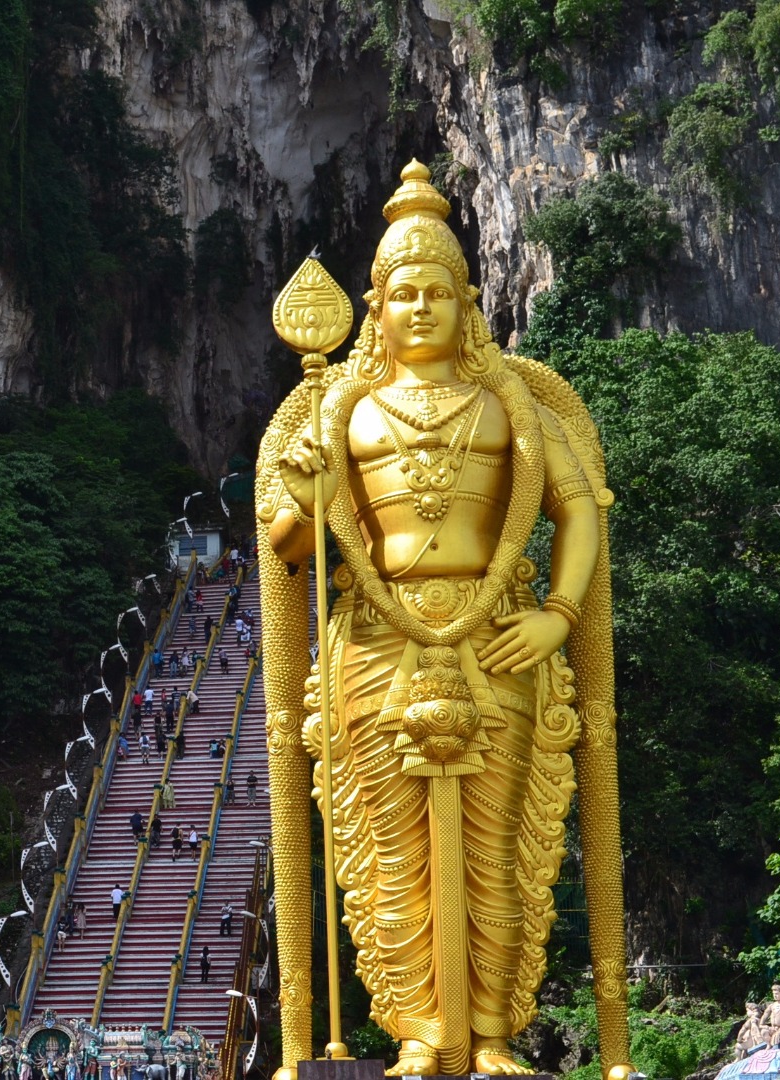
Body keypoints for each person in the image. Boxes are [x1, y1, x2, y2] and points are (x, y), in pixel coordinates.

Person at [257, 161, 626, 1076]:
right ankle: (419, 1031)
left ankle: (494, 1035)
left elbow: (578, 510)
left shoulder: (516, 407)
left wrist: (557, 613)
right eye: (402, 292)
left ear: (468, 305)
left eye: (438, 292)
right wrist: (306, 487)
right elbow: (291, 549)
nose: (420, 308)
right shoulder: (340, 412)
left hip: (497, 637)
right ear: (375, 310)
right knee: (389, 850)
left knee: (502, 849)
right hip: (379, 646)